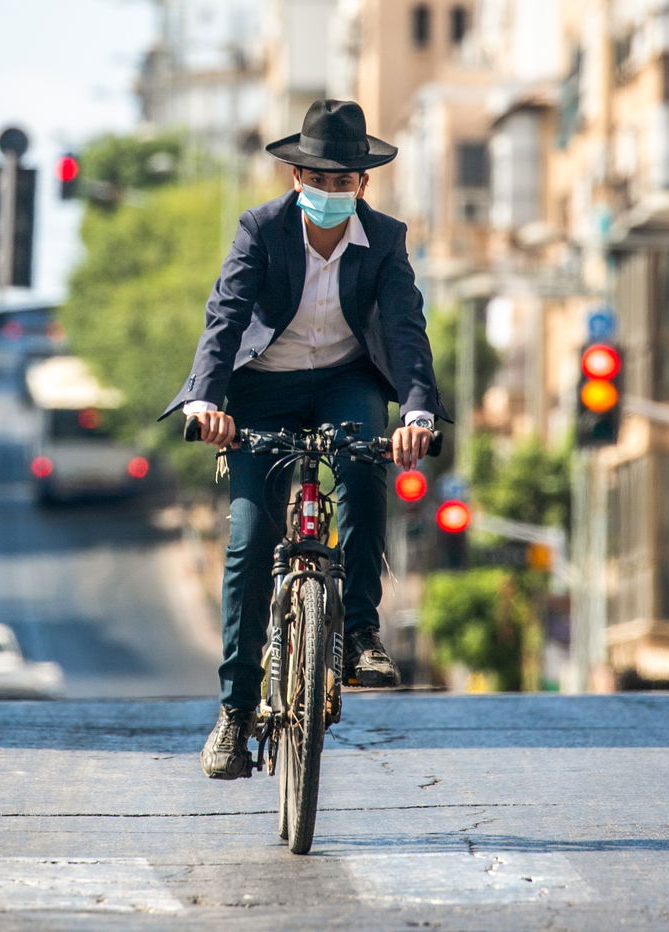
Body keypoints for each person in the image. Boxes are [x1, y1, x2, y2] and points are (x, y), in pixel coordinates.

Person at [162, 99, 447, 779]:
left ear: (362, 184)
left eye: (342, 180)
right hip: (262, 389)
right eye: (316, 179)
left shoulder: (386, 238)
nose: (328, 191)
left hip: (345, 381)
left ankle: (360, 631)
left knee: (364, 466)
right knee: (248, 539)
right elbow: (226, 316)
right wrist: (205, 400)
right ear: (295, 178)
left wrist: (416, 414)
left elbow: (406, 329)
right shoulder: (260, 230)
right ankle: (235, 713)